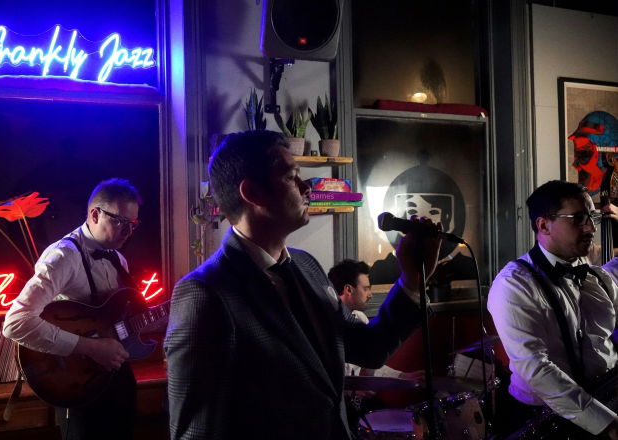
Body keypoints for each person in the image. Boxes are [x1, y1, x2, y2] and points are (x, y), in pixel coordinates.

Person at [164, 130, 442, 440]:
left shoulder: (307, 266)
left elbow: (369, 348)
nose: (306, 186)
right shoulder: (206, 293)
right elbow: (194, 433)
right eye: (291, 176)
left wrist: (412, 280)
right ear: (252, 192)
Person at [3, 178, 142, 440]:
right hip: (75, 381)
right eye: (120, 222)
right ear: (95, 214)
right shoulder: (64, 256)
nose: (128, 232)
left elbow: (115, 321)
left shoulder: (119, 259)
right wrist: (92, 348)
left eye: (133, 224)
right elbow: (16, 322)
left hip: (117, 375)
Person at [487, 180, 618, 439]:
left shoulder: (597, 277)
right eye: (578, 219)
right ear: (544, 225)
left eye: (591, 218)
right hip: (545, 422)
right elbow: (536, 369)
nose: (591, 228)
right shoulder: (513, 284)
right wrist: (607, 423)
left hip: (607, 401)